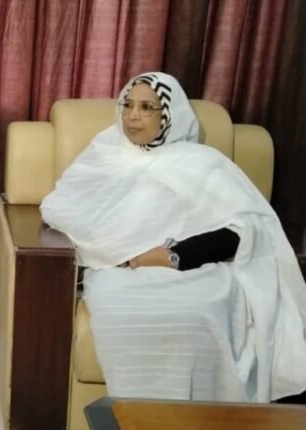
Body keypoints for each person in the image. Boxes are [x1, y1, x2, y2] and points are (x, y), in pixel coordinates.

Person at [40, 72, 306, 402]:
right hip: (119, 271)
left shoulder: (201, 163)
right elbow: (62, 208)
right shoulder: (103, 154)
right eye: (128, 105)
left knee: (200, 314)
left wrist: (171, 256)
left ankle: (202, 418)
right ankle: (141, 417)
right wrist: (117, 249)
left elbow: (243, 229)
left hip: (192, 268)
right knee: (120, 314)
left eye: (147, 107)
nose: (132, 116)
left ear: (169, 114)